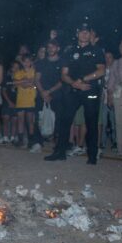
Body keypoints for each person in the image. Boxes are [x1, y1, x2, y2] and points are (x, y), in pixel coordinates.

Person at [45, 25, 105, 164]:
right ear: (77, 34)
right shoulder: (70, 51)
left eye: (87, 32)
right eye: (82, 32)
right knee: (65, 120)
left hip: (90, 89)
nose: (84, 34)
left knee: (91, 122)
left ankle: (92, 156)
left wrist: (83, 79)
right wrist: (73, 83)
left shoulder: (96, 50)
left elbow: (101, 71)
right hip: (73, 90)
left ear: (90, 34)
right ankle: (60, 152)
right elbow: (64, 74)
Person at [33, 39, 64, 150]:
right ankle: (38, 142)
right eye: (49, 47)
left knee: (58, 119)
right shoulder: (41, 62)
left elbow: (63, 80)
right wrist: (43, 92)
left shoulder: (62, 62)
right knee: (38, 118)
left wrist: (49, 92)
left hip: (57, 94)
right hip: (41, 94)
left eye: (53, 47)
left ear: (58, 48)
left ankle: (56, 142)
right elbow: (37, 79)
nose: (50, 49)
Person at [12, 54, 37, 148]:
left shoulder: (34, 71)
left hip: (31, 100)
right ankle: (20, 140)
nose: (26, 63)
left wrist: (22, 81)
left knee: (30, 121)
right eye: (25, 61)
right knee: (20, 120)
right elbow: (14, 83)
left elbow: (34, 82)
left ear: (31, 62)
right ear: (22, 62)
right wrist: (24, 81)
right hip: (20, 100)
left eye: (28, 61)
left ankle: (31, 140)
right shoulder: (18, 72)